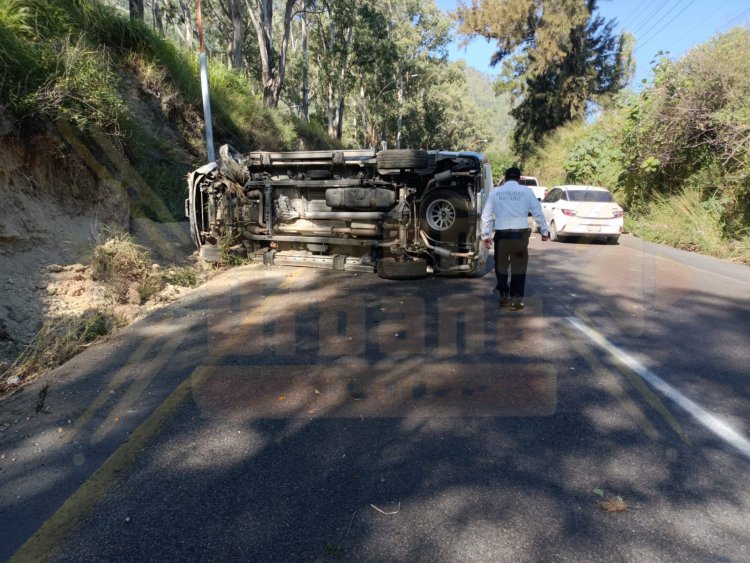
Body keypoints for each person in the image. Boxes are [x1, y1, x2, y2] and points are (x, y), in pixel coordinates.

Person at [481, 167, 550, 310]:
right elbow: (538, 212)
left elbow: (486, 216)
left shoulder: (496, 193)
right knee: (519, 267)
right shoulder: (526, 192)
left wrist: (485, 236)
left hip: (501, 235)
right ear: (519, 179)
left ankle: (503, 293)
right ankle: (516, 300)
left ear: (505, 178)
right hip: (520, 236)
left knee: (501, 266)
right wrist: (544, 231)